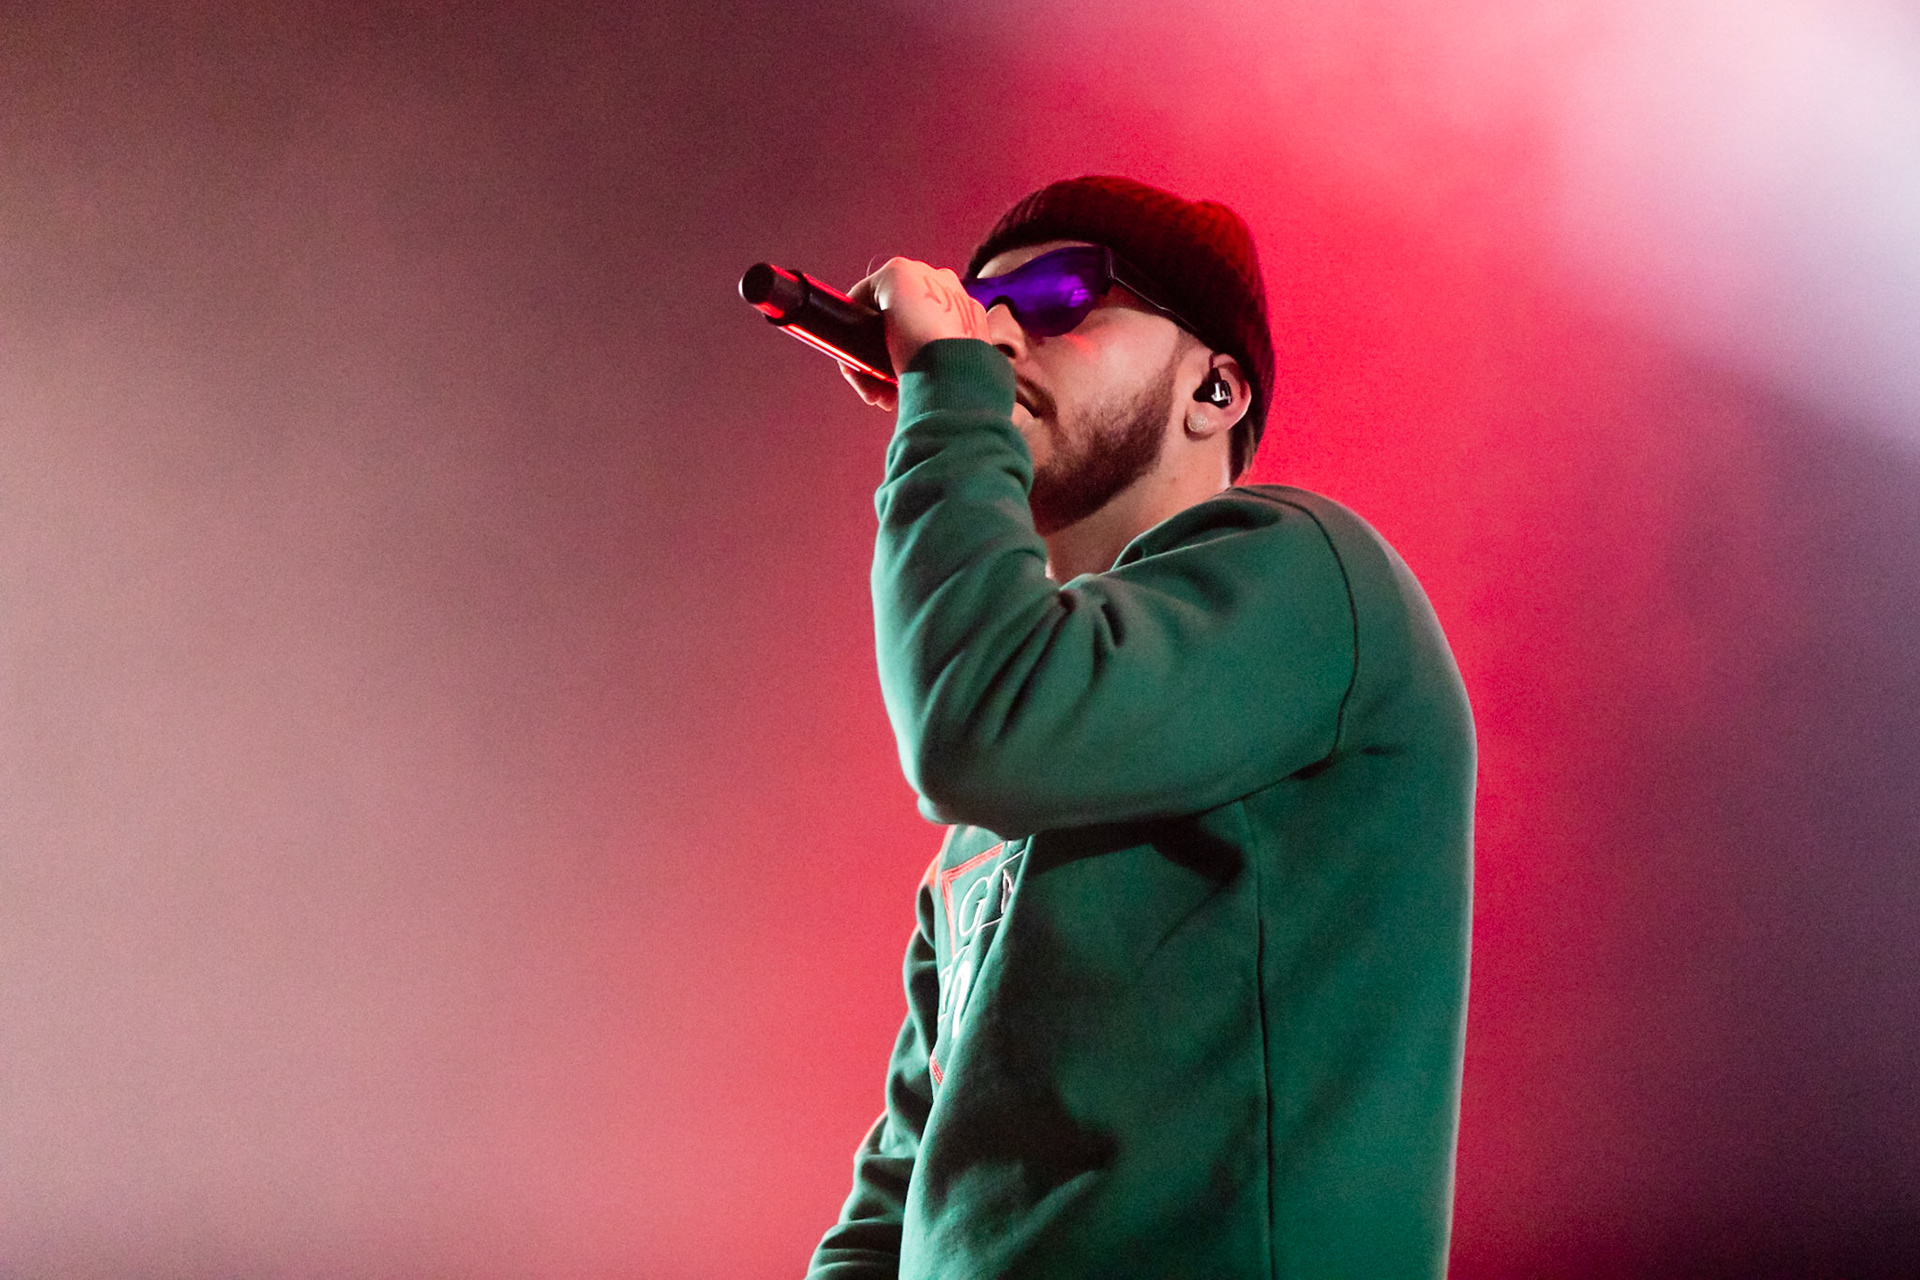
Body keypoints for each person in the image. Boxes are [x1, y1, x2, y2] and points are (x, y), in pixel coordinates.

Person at [805, 176, 1475, 1279]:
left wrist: (950, 388)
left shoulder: (1311, 579)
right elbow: (901, 1195)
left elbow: (973, 720)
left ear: (1214, 387)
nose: (1002, 331)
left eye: (1060, 295)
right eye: (980, 310)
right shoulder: (993, 818)